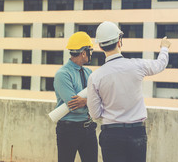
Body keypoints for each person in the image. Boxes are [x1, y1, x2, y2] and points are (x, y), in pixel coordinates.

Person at [87, 21, 171, 162]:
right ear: (119, 42)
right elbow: (160, 64)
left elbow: (94, 114)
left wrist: (111, 110)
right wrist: (164, 48)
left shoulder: (95, 77)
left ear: (101, 46)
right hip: (136, 133)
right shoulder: (137, 66)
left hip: (111, 134)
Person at [53, 31, 98, 162]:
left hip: (88, 129)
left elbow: (98, 99)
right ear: (84, 53)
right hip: (68, 131)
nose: (91, 54)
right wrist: (91, 102)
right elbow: (75, 107)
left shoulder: (89, 72)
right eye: (90, 50)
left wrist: (85, 102)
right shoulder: (63, 74)